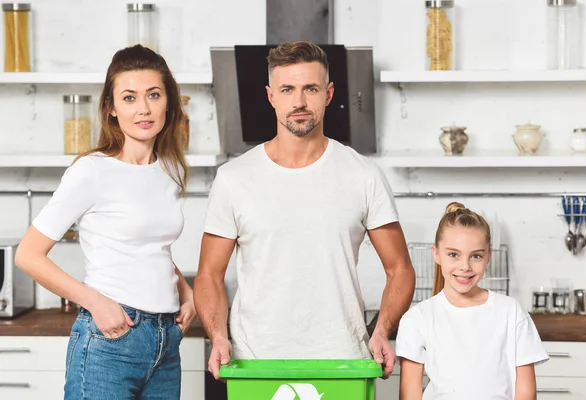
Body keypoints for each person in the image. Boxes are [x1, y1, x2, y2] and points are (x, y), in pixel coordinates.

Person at [194, 41, 416, 380]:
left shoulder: (363, 175)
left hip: (343, 361)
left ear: (328, 94)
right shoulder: (233, 179)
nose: (298, 102)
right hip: (256, 363)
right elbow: (209, 273)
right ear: (271, 96)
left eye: (310, 88)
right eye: (287, 89)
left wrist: (382, 329)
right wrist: (218, 335)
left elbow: (399, 268)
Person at [14, 45, 196, 399]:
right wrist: (96, 303)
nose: (143, 108)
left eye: (153, 95)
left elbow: (149, 246)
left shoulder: (170, 169)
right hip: (111, 341)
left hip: (166, 340)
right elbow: (28, 255)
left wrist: (185, 291)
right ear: (111, 108)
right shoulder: (92, 170)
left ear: (169, 103)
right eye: (129, 97)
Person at [396, 202, 548, 400]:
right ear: (436, 254)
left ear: (488, 257)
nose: (465, 266)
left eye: (476, 256)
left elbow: (526, 393)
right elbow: (410, 395)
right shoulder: (417, 319)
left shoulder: (511, 312)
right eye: (453, 255)